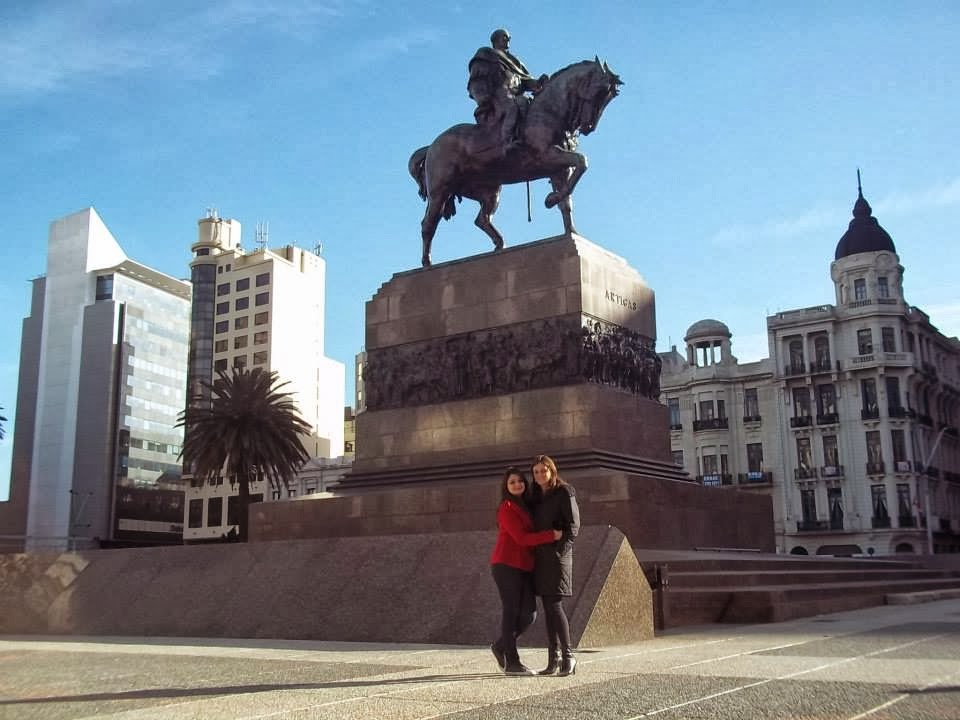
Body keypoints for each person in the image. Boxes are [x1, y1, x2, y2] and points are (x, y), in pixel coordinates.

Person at [490, 466, 562, 675]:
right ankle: (512, 662)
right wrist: (551, 536)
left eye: (520, 481)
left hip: (525, 566)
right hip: (506, 565)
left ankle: (501, 646)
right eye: (512, 482)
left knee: (529, 615)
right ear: (506, 486)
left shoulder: (527, 506)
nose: (517, 485)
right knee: (511, 611)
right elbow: (521, 539)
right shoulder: (507, 507)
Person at [531, 454, 580, 676]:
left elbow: (573, 527)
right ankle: (553, 659)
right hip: (540, 558)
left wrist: (559, 551)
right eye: (536, 471)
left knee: (555, 606)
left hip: (557, 557)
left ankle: (568, 656)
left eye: (544, 470)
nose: (540, 475)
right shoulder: (535, 496)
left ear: (552, 470)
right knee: (548, 608)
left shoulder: (564, 492)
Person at [467, 28, 547, 152]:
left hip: (514, 94)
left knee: (526, 104)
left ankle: (528, 138)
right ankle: (507, 140)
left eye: (508, 37)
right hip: (497, 93)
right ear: (495, 40)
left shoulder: (515, 61)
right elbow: (477, 78)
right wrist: (485, 94)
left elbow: (526, 80)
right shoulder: (486, 54)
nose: (507, 39)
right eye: (504, 36)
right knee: (512, 107)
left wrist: (539, 82)